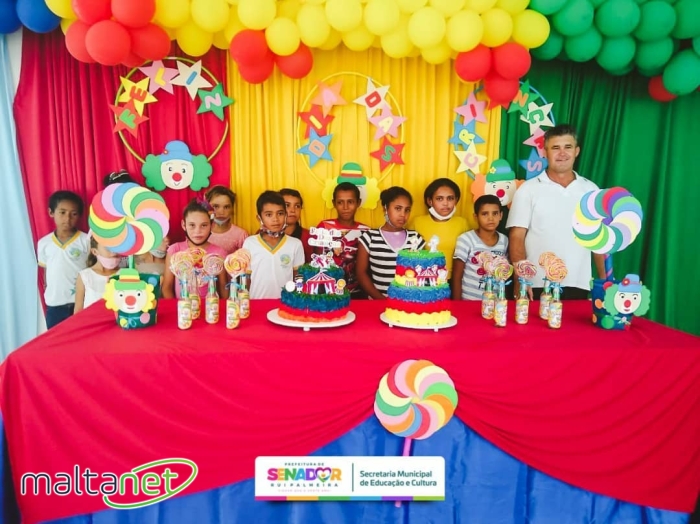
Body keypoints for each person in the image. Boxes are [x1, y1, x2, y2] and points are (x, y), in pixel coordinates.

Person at [506, 124, 605, 299]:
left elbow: (599, 240)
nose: (562, 153)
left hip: (579, 284)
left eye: (568, 147)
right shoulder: (528, 189)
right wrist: (521, 278)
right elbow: (517, 237)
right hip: (536, 285)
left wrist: (606, 281)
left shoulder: (591, 190)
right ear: (545, 152)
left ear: (577, 151)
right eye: (555, 148)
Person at [357, 187, 425, 299]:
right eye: (398, 208)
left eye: (407, 210)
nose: (403, 214)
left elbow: (422, 272)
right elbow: (361, 273)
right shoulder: (370, 237)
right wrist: (381, 300)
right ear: (385, 209)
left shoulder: (415, 238)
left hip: (408, 302)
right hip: (378, 302)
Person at [37, 191, 90, 328]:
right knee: (58, 339)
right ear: (51, 212)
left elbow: (92, 268)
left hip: (81, 302)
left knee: (81, 337)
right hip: (55, 304)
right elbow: (46, 270)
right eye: (62, 212)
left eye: (74, 214)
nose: (67, 218)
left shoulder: (86, 240)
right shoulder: (44, 243)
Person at [243, 191, 305, 299]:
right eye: (269, 215)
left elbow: (298, 278)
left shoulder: (295, 244)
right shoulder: (250, 243)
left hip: (286, 302)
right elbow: (246, 278)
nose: (275, 219)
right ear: (259, 218)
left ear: (285, 215)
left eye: (280, 213)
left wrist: (297, 301)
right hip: (256, 302)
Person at [162, 199, 228, 299]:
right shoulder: (175, 250)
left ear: (212, 225)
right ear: (184, 225)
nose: (198, 231)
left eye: (204, 225)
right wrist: (175, 307)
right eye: (192, 225)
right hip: (183, 307)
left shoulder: (219, 253)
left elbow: (223, 287)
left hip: (210, 307)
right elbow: (166, 287)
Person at [315, 182, 370, 298]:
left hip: (356, 293)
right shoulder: (323, 227)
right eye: (340, 202)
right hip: (328, 291)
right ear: (334, 203)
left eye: (350, 202)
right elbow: (317, 260)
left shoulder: (366, 231)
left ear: (358, 203)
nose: (345, 207)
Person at [409, 178, 468, 281]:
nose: (445, 203)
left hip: (453, 280)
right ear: (430, 201)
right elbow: (409, 254)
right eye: (439, 199)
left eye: (450, 198)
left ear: (456, 200)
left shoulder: (462, 223)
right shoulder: (417, 222)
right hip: (424, 280)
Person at [452, 195, 509, 300]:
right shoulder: (466, 239)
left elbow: (504, 273)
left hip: (495, 303)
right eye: (485, 214)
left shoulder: (505, 241)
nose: (490, 218)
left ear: (501, 215)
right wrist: (457, 304)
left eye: (495, 213)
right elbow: (457, 276)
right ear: (476, 217)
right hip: (469, 302)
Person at [74, 236, 121, 312]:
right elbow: (78, 310)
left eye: (116, 247)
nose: (113, 252)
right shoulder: (85, 276)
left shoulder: (126, 275)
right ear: (95, 251)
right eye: (108, 248)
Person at [205, 185, 248, 254]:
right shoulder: (201, 232)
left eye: (226, 207)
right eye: (215, 206)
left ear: (232, 209)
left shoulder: (241, 235)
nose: (221, 212)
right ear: (207, 207)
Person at [279, 188, 313, 263]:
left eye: (297, 206)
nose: (293, 210)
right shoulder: (264, 234)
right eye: (287, 205)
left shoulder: (308, 237)